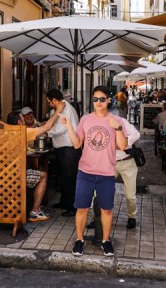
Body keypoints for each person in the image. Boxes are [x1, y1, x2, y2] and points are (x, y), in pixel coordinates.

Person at [59, 85, 128, 257]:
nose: (98, 102)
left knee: (107, 210)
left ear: (108, 100)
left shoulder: (116, 120)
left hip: (106, 173)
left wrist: (117, 128)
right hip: (86, 172)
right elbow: (76, 144)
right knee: (82, 208)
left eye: (102, 99)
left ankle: (105, 241)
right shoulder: (85, 119)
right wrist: (68, 126)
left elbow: (123, 145)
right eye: (95, 99)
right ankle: (79, 240)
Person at [6, 110, 61, 221]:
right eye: (22, 120)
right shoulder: (23, 132)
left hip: (0, 177)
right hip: (16, 177)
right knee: (43, 176)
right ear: (18, 123)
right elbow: (48, 127)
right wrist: (59, 110)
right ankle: (35, 211)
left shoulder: (3, 133)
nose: (24, 123)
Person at [45, 89, 81, 217]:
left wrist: (45, 131)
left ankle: (72, 207)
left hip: (69, 149)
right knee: (63, 177)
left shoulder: (65, 110)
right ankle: (64, 202)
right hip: (62, 149)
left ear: (54, 100)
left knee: (69, 178)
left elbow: (59, 129)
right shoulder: (60, 109)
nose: (49, 104)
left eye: (49, 102)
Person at [114, 117, 141, 229]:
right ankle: (97, 217)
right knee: (99, 192)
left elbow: (136, 134)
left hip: (127, 162)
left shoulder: (120, 120)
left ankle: (132, 217)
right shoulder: (97, 122)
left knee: (130, 195)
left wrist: (123, 143)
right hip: (108, 163)